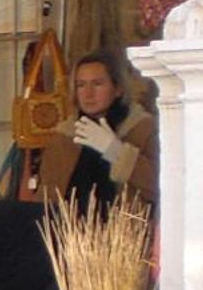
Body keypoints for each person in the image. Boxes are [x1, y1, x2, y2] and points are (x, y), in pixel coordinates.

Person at [33, 51, 160, 214]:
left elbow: (162, 187)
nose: (88, 94)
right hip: (71, 233)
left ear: (118, 89)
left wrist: (116, 151)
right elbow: (46, 198)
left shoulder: (144, 128)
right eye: (81, 85)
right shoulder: (63, 136)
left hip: (125, 234)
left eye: (98, 83)